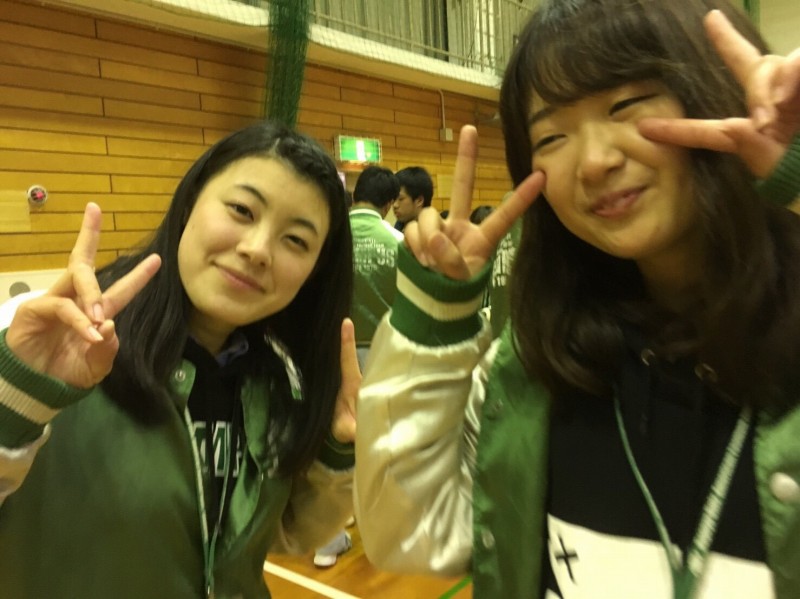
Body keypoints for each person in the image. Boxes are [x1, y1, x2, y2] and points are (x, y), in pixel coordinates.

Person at [354, 1, 800, 597]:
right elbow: (410, 534)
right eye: (552, 136)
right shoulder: (536, 371)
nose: (593, 162)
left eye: (626, 106)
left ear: (715, 94)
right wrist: (435, 314)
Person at [0, 122, 361, 598]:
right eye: (241, 210)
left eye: (296, 240)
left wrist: (336, 452)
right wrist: (16, 401)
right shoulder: (40, 342)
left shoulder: (279, 377)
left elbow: (286, 536)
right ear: (190, 202)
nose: (257, 250)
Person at [313, 165, 401, 569]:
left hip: (332, 352)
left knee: (331, 442)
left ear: (354, 196)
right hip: (382, 355)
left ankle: (328, 538)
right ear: (390, 203)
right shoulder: (397, 241)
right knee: (379, 444)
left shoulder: (327, 239)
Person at [393, 166, 434, 233]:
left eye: (400, 199)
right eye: (394, 198)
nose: (395, 205)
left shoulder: (432, 234)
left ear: (419, 201)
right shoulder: (397, 229)